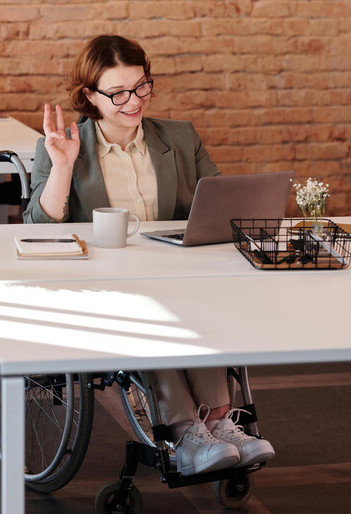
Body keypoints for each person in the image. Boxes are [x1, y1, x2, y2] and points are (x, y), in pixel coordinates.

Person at [24, 34, 275, 476]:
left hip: (177, 275)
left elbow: (219, 204)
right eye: (117, 92)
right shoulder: (64, 145)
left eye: (141, 87)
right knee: (150, 310)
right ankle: (185, 431)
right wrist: (62, 168)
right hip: (105, 286)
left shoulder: (178, 138)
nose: (132, 101)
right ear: (90, 96)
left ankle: (220, 422)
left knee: (202, 302)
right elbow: (40, 231)